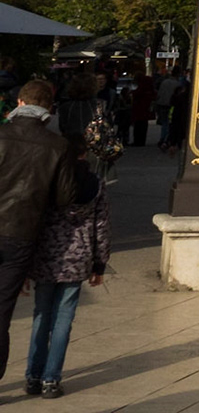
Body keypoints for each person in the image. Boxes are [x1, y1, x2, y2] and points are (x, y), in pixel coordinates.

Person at [0, 79, 78, 385]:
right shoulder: (57, 145)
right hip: (22, 232)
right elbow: (64, 198)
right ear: (47, 109)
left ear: (20, 103)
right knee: (2, 310)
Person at [23, 140, 109, 398]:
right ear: (85, 153)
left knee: (41, 315)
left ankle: (33, 376)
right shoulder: (95, 185)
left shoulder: (48, 182)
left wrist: (25, 262)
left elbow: (32, 221)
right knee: (63, 319)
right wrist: (100, 264)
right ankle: (51, 380)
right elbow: (101, 228)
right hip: (78, 259)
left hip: (47, 257)